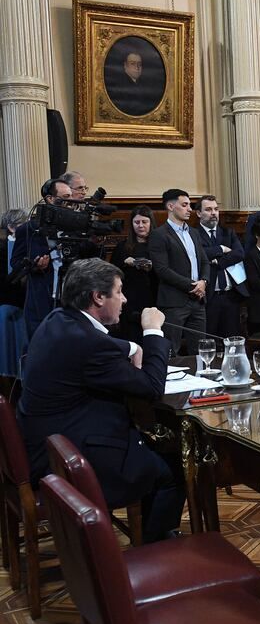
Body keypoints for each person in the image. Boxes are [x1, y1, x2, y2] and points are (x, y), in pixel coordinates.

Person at [18, 258, 184, 542]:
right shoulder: (88, 344)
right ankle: (154, 549)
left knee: (157, 446)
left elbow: (99, 345)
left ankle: (147, 534)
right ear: (98, 297)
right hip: (66, 458)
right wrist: (153, 331)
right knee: (173, 467)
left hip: (45, 440)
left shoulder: (58, 319)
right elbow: (152, 387)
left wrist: (130, 346)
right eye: (119, 292)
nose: (125, 299)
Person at [11, 179, 79, 338]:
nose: (69, 202)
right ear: (50, 199)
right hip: (41, 299)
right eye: (64, 197)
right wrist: (34, 266)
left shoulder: (75, 227)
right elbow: (15, 263)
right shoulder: (28, 229)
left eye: (70, 196)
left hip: (70, 300)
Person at [148, 189, 210, 354]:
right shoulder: (159, 235)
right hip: (174, 301)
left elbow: (204, 261)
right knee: (171, 350)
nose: (189, 209)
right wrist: (193, 285)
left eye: (189, 205)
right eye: (184, 205)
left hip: (198, 300)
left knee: (200, 351)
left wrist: (204, 281)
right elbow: (162, 269)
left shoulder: (194, 233)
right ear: (170, 206)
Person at [195, 195, 247, 339]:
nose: (213, 213)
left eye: (216, 209)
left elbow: (240, 253)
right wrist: (221, 249)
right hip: (209, 297)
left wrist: (218, 262)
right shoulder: (194, 234)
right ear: (199, 213)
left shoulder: (227, 232)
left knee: (232, 341)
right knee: (210, 340)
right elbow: (200, 254)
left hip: (231, 295)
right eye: (208, 209)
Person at [110, 205, 159, 344]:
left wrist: (151, 266)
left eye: (144, 222)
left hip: (153, 298)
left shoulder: (158, 245)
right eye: (136, 222)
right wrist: (126, 263)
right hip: (129, 301)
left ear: (151, 223)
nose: (141, 226)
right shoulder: (123, 247)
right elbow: (112, 273)